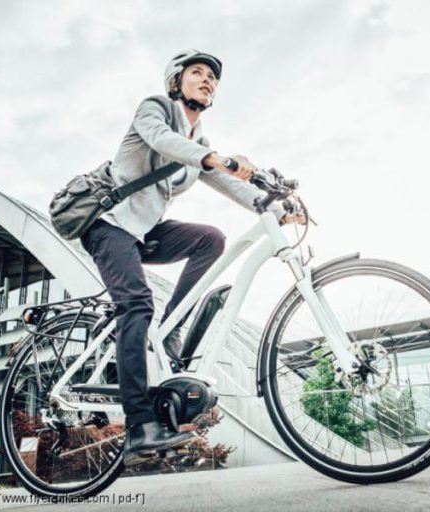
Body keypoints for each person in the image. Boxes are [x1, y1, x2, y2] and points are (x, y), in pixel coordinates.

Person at [80, 49, 298, 465]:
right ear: (176, 81)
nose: (207, 80)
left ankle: (170, 330)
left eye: (212, 77)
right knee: (136, 304)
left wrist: (275, 208)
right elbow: (164, 141)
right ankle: (139, 426)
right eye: (197, 72)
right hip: (109, 225)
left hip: (144, 232)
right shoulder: (154, 109)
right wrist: (215, 158)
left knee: (210, 239)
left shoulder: (200, 145)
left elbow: (232, 185)